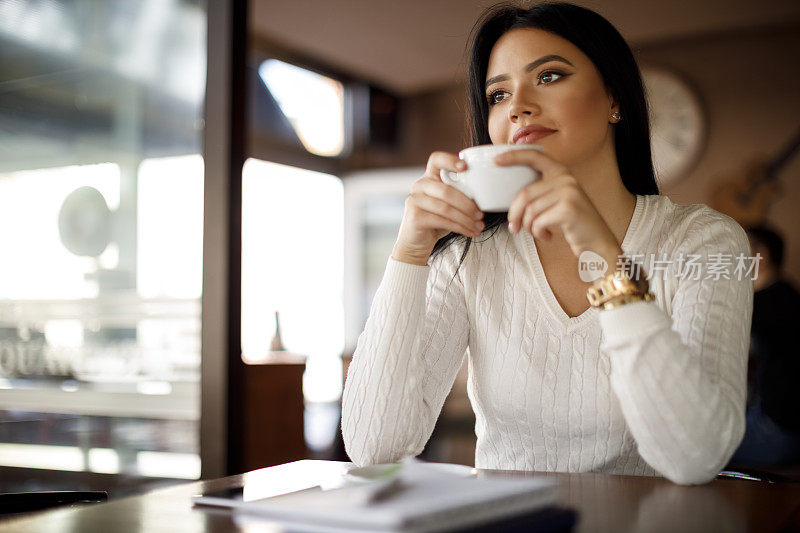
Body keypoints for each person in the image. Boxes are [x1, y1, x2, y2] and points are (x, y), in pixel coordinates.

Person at [341, 2, 753, 485]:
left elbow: (696, 457)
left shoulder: (707, 243)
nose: (517, 105)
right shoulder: (468, 257)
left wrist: (603, 256)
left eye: (550, 76)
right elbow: (373, 446)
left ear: (614, 96)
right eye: (497, 94)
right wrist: (409, 255)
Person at [730, 225, 800, 466]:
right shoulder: (785, 293)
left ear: (762, 255)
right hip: (771, 419)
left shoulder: (769, 303)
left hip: (777, 427)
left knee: (696, 453)